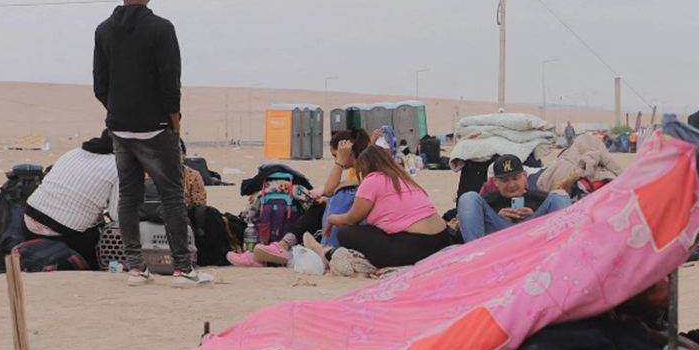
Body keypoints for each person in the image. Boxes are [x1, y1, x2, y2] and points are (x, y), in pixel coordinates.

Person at [93, 0, 209, 285]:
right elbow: (170, 83)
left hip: (119, 127)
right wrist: (174, 123)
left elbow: (99, 85)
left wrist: (117, 111)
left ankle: (135, 268)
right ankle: (183, 269)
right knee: (172, 196)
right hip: (156, 127)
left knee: (128, 196)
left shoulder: (103, 30)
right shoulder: (162, 29)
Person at [309, 144, 459, 269]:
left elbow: (351, 219)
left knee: (346, 232)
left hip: (415, 245)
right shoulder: (403, 178)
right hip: (441, 238)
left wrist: (331, 219)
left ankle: (326, 252)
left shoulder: (373, 180)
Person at [244, 128, 368, 266]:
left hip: (354, 223)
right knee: (317, 207)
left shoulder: (365, 171)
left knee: (318, 209)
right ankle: (273, 252)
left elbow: (330, 190)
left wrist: (339, 162)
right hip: (350, 217)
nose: (336, 160)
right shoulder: (356, 171)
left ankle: (280, 248)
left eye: (336, 155)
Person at [24, 133, 120, 265]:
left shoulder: (74, 152)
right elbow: (118, 215)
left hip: (30, 217)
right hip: (64, 231)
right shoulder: (120, 167)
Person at [457, 154, 573, 242]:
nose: (511, 185)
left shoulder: (542, 199)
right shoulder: (485, 202)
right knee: (468, 197)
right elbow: (463, 223)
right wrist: (497, 216)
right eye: (504, 180)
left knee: (559, 195)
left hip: (534, 237)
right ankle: (474, 254)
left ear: (524, 176)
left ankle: (563, 247)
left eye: (515, 178)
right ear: (496, 182)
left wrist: (535, 216)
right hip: (498, 241)